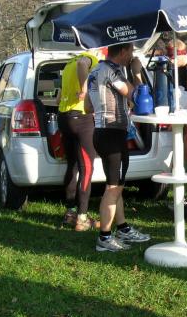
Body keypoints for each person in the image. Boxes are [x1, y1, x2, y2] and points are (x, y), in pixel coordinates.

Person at [87, 43, 150, 251]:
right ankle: (104, 237)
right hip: (113, 133)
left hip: (100, 131)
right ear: (122, 52)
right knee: (113, 188)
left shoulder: (95, 70)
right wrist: (137, 73)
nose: (132, 55)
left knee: (115, 185)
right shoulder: (113, 71)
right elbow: (137, 97)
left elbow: (87, 106)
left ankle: (122, 227)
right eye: (130, 51)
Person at [58, 50, 100, 231]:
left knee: (72, 165)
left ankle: (70, 212)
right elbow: (83, 64)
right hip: (81, 118)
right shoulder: (90, 58)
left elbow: (58, 97)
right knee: (87, 168)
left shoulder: (68, 64)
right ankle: (82, 218)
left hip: (64, 116)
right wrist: (85, 90)